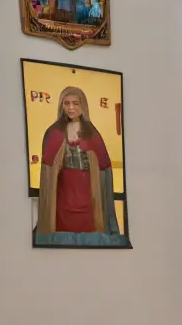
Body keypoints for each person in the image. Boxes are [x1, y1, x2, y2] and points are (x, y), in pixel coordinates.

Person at [35, 86, 122, 239]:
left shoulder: (92, 133)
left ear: (83, 106)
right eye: (66, 103)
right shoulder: (54, 132)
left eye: (75, 103)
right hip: (64, 192)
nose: (71, 108)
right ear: (61, 106)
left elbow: (104, 167)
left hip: (88, 191)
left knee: (89, 232)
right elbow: (48, 170)